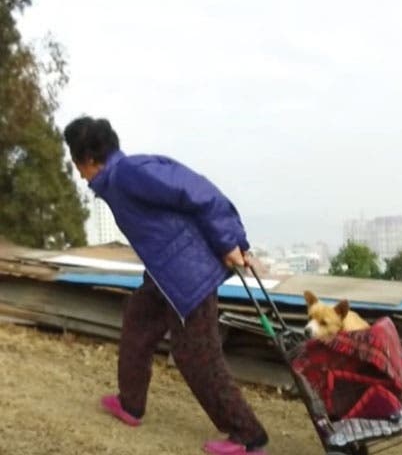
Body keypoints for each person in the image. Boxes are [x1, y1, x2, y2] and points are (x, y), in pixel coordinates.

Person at [63, 116, 268, 455]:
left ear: (85, 160)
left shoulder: (131, 173)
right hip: (164, 274)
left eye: (76, 163)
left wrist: (231, 242)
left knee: (195, 355)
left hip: (189, 275)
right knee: (138, 324)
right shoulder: (118, 178)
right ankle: (130, 405)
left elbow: (199, 193)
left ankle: (249, 436)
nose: (78, 173)